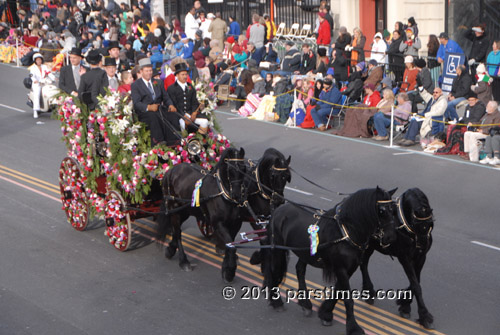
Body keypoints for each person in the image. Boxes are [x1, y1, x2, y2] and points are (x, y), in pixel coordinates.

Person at [131, 58, 179, 145]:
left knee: (172, 115)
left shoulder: (158, 82)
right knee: (154, 117)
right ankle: (158, 142)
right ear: (141, 72)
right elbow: (137, 103)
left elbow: (166, 97)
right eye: (146, 71)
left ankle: (174, 142)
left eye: (150, 70)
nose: (149, 73)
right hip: (145, 113)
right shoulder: (136, 85)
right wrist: (148, 107)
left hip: (159, 109)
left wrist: (171, 105)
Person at [167, 62, 209, 133]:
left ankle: (199, 140)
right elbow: (174, 104)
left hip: (191, 114)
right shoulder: (171, 88)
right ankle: (183, 142)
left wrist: (194, 113)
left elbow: (194, 102)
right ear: (177, 75)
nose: (185, 76)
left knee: (204, 121)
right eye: (182, 74)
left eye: (186, 74)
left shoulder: (190, 86)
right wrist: (184, 116)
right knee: (182, 124)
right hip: (179, 115)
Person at [29, 53, 54, 118]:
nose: (39, 61)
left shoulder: (44, 67)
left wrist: (54, 78)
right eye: (37, 60)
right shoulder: (33, 68)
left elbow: (49, 73)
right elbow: (31, 76)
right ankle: (35, 110)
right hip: (37, 84)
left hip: (44, 82)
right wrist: (34, 80)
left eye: (40, 60)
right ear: (35, 61)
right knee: (37, 94)